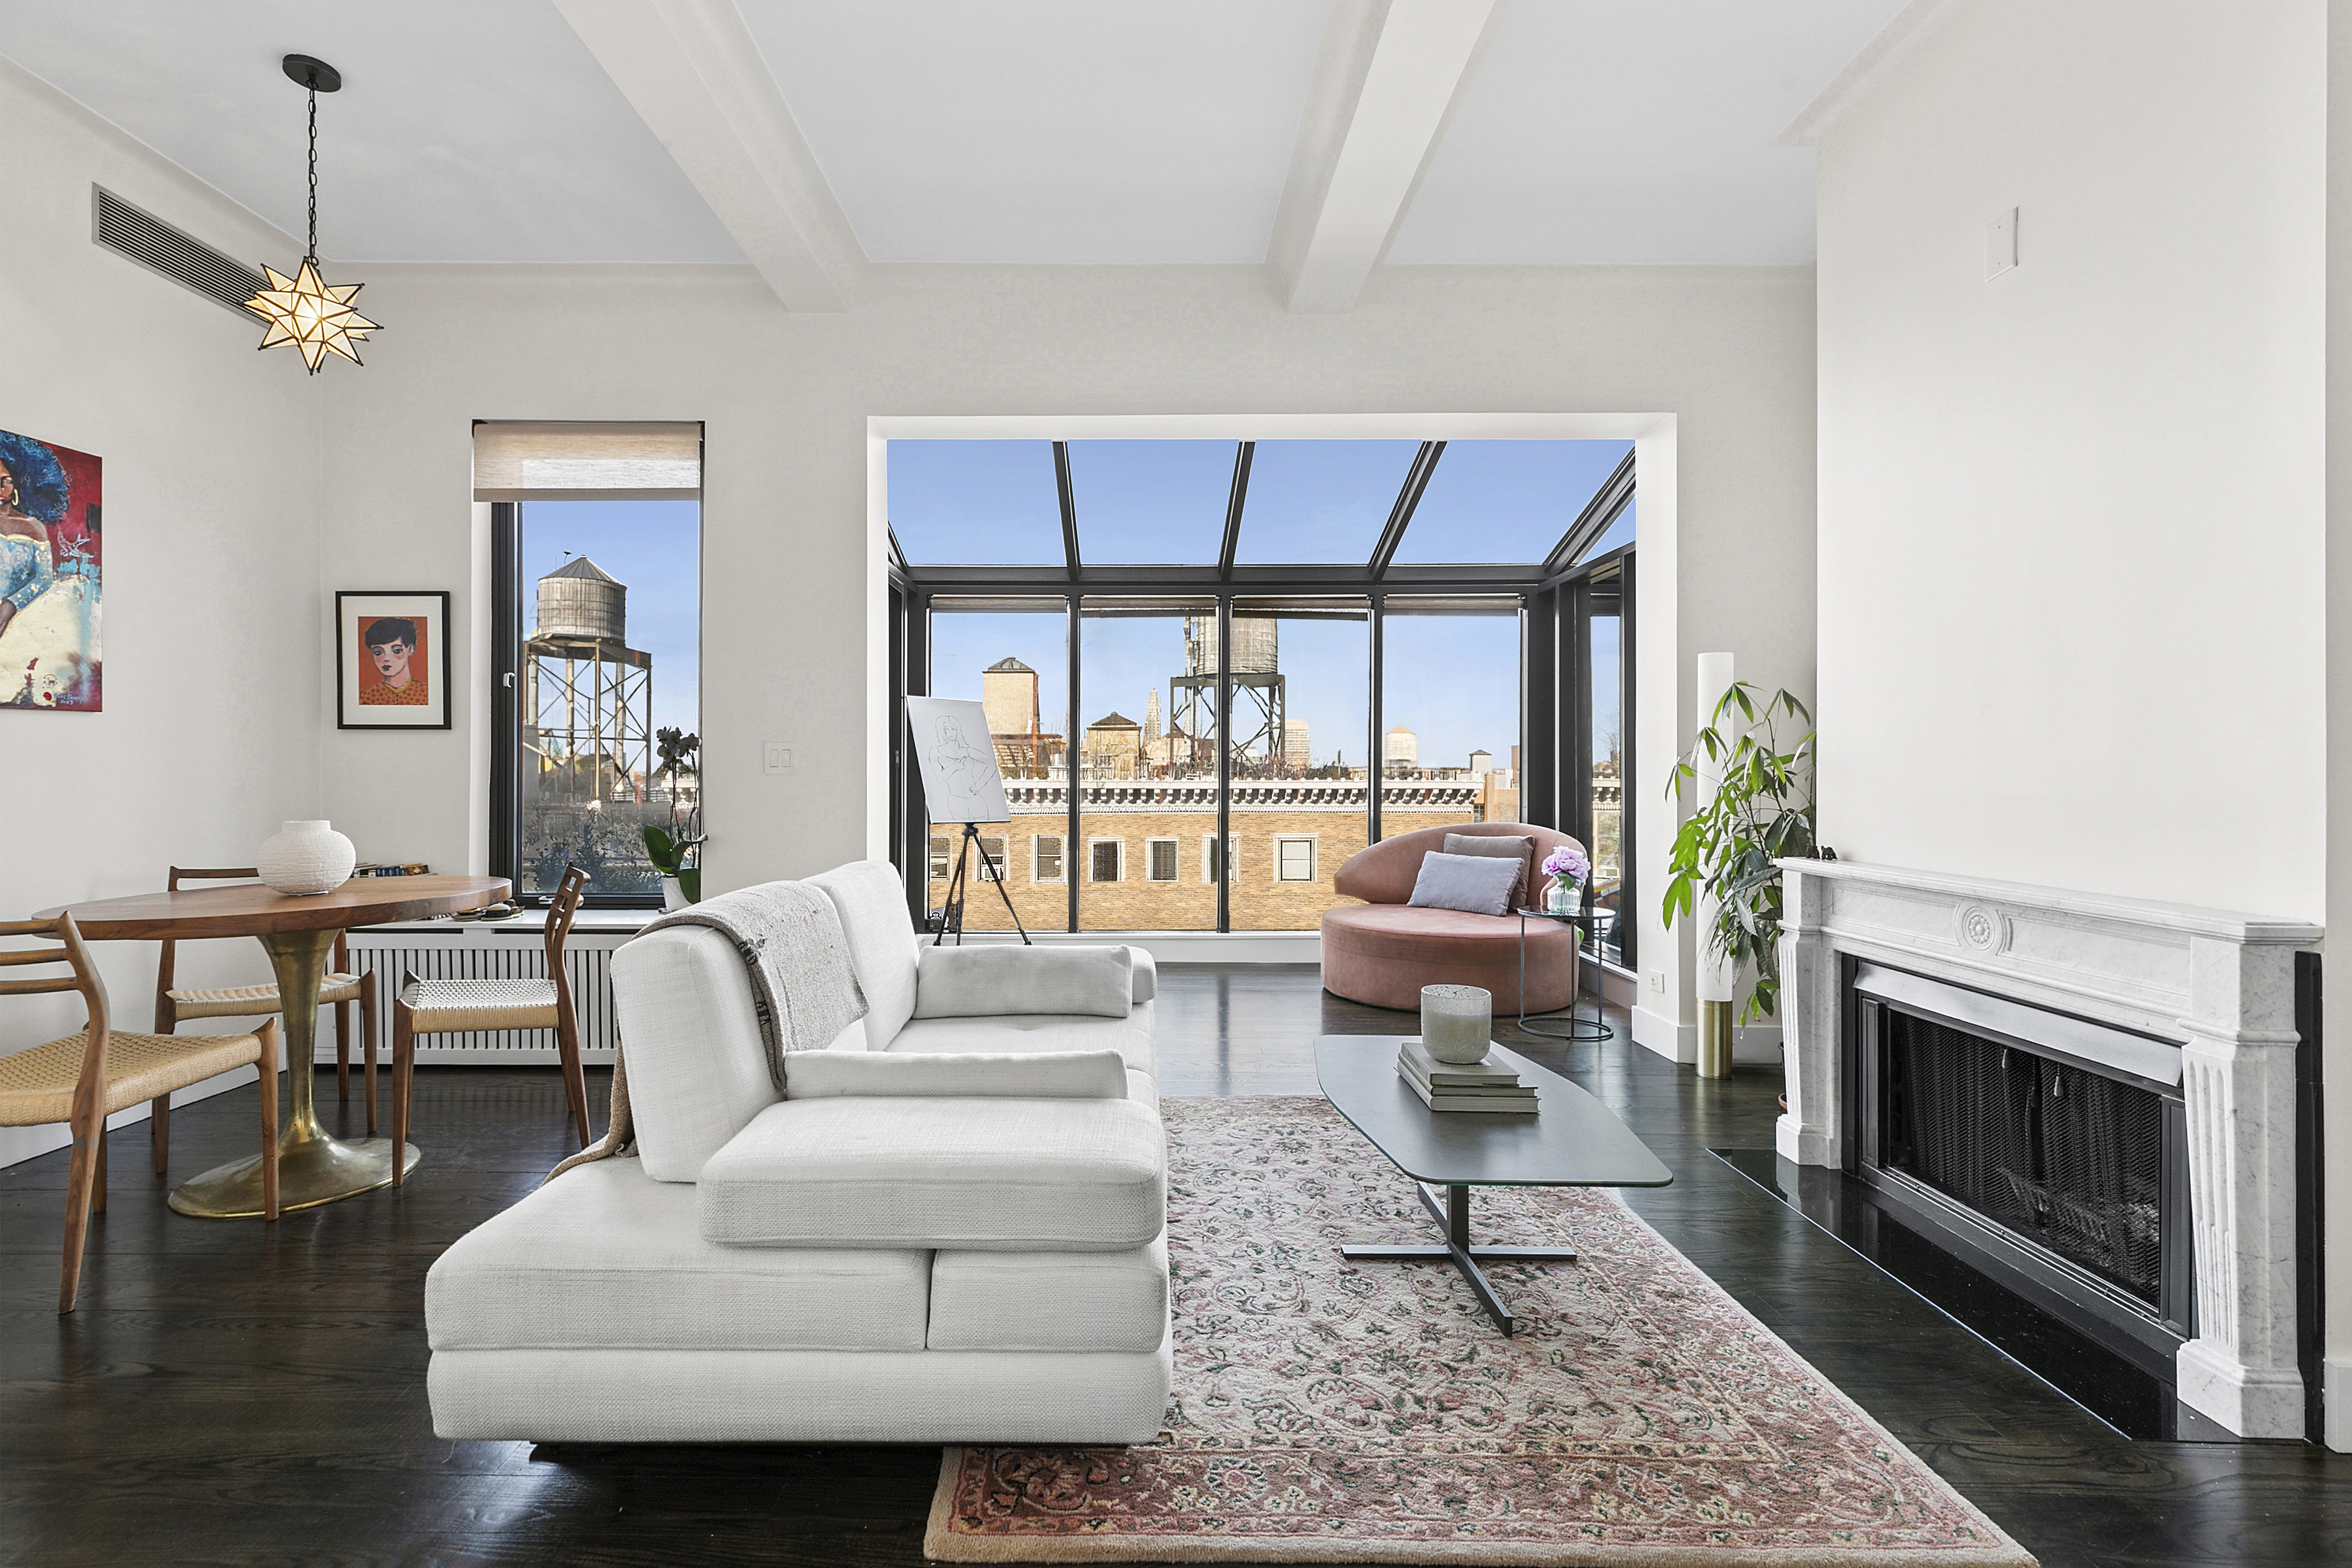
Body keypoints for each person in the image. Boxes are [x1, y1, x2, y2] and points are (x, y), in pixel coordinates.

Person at [0, 439, 63, 645]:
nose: (1, 487)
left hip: (24, 616)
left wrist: (10, 606)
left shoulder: (33, 527)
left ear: (19, 482)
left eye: (7, 480)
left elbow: (44, 578)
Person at [360, 617, 429, 705]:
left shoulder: (425, 694)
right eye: (378, 652)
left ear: (410, 649)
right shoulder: (368, 696)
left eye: (397, 651)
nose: (386, 659)